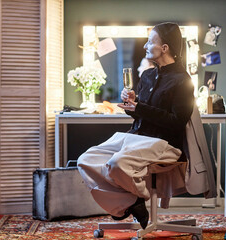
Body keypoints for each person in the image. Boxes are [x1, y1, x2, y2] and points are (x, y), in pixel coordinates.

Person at [77, 22, 194, 230]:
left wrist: (139, 106)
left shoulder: (182, 80)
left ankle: (139, 197)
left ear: (164, 48)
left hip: (164, 142)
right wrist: (132, 104)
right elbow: (141, 115)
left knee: (117, 164)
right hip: (137, 136)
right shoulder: (148, 75)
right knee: (85, 159)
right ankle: (133, 202)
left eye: (150, 42)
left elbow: (176, 122)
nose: (145, 46)